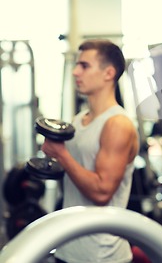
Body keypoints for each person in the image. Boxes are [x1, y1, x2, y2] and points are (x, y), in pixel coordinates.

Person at [41, 39, 139, 263]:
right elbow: (75, 173)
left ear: (108, 73)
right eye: (77, 65)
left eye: (84, 66)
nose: (75, 72)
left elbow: (102, 192)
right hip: (68, 247)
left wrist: (62, 154)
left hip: (101, 255)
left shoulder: (117, 124)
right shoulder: (79, 119)